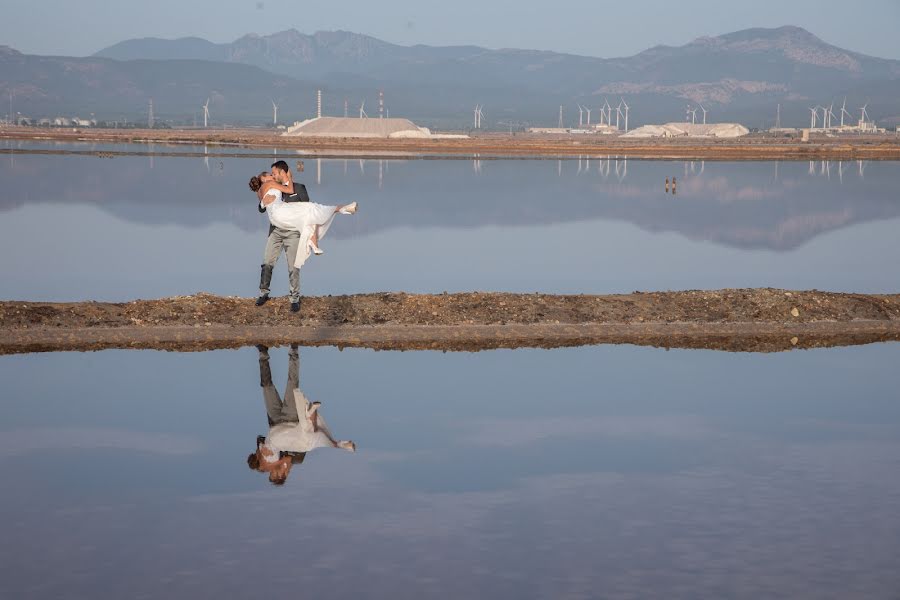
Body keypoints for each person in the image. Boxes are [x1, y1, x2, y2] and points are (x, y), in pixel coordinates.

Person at [248, 345, 356, 486]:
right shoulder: (297, 459)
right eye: (274, 475)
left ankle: (263, 353)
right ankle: (294, 351)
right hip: (291, 419)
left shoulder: (264, 460)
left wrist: (261, 452)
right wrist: (275, 463)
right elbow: (301, 441)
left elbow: (260, 438)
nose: (272, 473)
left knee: (266, 386)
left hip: (275, 421)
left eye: (271, 475)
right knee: (292, 385)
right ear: (283, 475)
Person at [249, 169, 357, 265]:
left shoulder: (260, 192)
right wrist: (289, 177)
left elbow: (262, 205)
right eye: (269, 175)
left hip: (277, 217)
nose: (272, 176)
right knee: (311, 209)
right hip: (282, 211)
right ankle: (340, 209)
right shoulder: (270, 184)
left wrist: (263, 202)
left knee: (309, 215)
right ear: (264, 180)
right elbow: (290, 190)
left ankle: (314, 243)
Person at [255, 161, 306, 312]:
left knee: (293, 266)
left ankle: (295, 298)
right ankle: (263, 293)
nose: (273, 176)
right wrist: (263, 203)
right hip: (276, 231)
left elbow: (308, 210)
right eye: (271, 174)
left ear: (282, 173)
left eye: (274, 173)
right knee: (267, 262)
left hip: (292, 232)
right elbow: (261, 207)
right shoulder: (272, 187)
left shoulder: (299, 188)